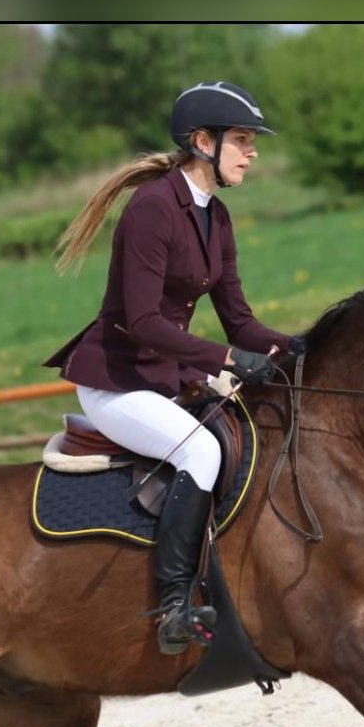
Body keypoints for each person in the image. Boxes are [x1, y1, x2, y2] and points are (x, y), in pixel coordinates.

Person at [44, 81, 300, 655]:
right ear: (202, 142)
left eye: (251, 141)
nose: (251, 152)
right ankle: (173, 605)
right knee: (201, 451)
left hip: (164, 377)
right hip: (116, 381)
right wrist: (230, 361)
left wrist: (299, 346)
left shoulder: (217, 218)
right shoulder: (153, 209)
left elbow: (241, 322)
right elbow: (141, 322)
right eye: (241, 140)